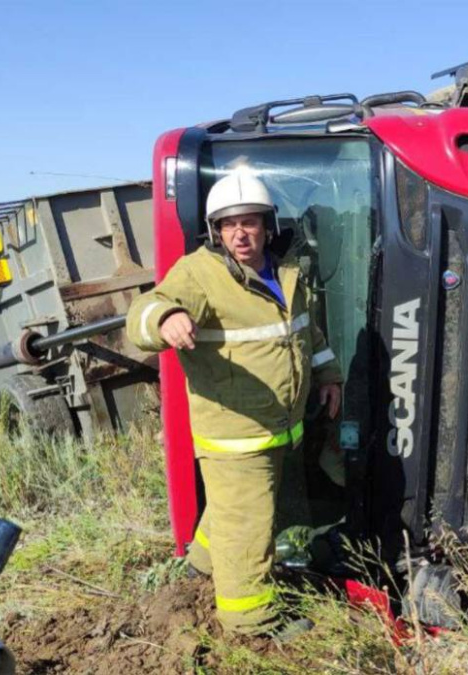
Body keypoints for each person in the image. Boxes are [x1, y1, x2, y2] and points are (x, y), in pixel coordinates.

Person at [127, 170, 343, 636]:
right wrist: (166, 318)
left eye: (249, 222)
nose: (240, 234)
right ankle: (251, 621)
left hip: (278, 427)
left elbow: (307, 333)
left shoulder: (285, 274)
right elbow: (144, 310)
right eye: (229, 225)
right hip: (236, 435)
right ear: (215, 231)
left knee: (232, 510)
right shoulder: (199, 274)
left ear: (267, 226)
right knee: (249, 526)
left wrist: (328, 375)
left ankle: (201, 565)